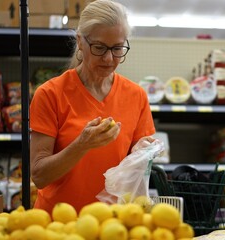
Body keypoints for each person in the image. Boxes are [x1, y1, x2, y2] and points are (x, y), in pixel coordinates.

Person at [29, 0, 156, 214]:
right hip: (58, 225)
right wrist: (81, 145)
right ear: (80, 41)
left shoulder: (136, 96)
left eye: (117, 48)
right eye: (99, 48)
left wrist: (143, 152)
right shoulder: (51, 94)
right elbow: (39, 176)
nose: (108, 58)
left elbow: (136, 167)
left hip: (113, 225)